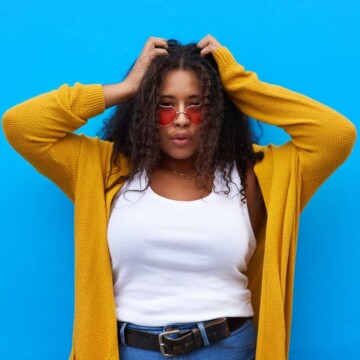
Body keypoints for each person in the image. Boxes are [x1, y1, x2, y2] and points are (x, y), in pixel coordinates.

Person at [2, 35, 356, 360]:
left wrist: (238, 85)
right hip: (130, 349)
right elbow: (22, 126)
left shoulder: (255, 173)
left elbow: (335, 135)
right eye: (165, 105)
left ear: (216, 111)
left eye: (198, 104)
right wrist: (126, 88)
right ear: (145, 111)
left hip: (228, 347)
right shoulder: (102, 169)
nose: (182, 119)